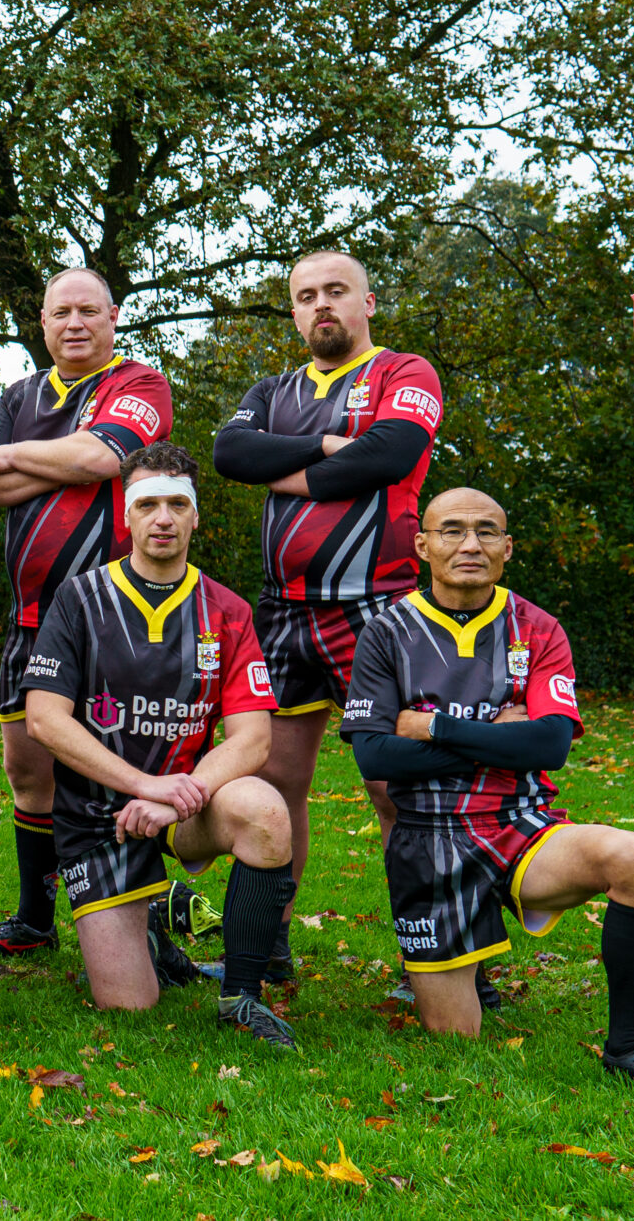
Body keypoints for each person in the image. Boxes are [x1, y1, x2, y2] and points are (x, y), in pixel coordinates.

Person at [341, 488, 634, 1101]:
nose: (470, 544)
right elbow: (375, 755)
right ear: (423, 545)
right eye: (453, 531)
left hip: (520, 822)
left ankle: (626, 1045)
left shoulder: (537, 627)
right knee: (456, 1036)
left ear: (507, 548)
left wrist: (433, 726)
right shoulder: (386, 632)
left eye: (487, 532)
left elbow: (548, 746)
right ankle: (470, 967)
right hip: (428, 839)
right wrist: (498, 735)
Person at [17, 443, 300, 1049]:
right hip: (99, 819)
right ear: (126, 514)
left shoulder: (227, 610)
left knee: (265, 808)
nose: (163, 518)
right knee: (129, 1007)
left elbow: (253, 736)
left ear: (197, 517)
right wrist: (144, 786)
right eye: (148, 504)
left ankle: (242, 997)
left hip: (183, 809)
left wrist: (177, 799)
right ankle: (153, 915)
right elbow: (44, 719)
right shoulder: (79, 599)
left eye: (178, 504)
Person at [210, 250, 442, 979]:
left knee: (396, 785)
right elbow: (228, 452)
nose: (322, 306)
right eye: (306, 295)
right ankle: (266, 950)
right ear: (293, 310)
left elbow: (388, 455)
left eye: (336, 291)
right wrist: (322, 446)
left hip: (378, 607)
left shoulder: (405, 373)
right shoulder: (273, 387)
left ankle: (438, 958)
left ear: (368, 301)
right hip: (282, 613)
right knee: (275, 784)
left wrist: (285, 468)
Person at [0, 269, 172, 963]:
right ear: (43, 322)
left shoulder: (138, 383)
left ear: (113, 316)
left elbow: (106, 452)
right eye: (61, 312)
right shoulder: (20, 393)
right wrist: (70, 463)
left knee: (121, 766)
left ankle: (155, 926)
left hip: (115, 615)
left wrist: (17, 453)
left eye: (89, 310)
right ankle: (33, 916)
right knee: (28, 767)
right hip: (29, 616)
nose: (75, 323)